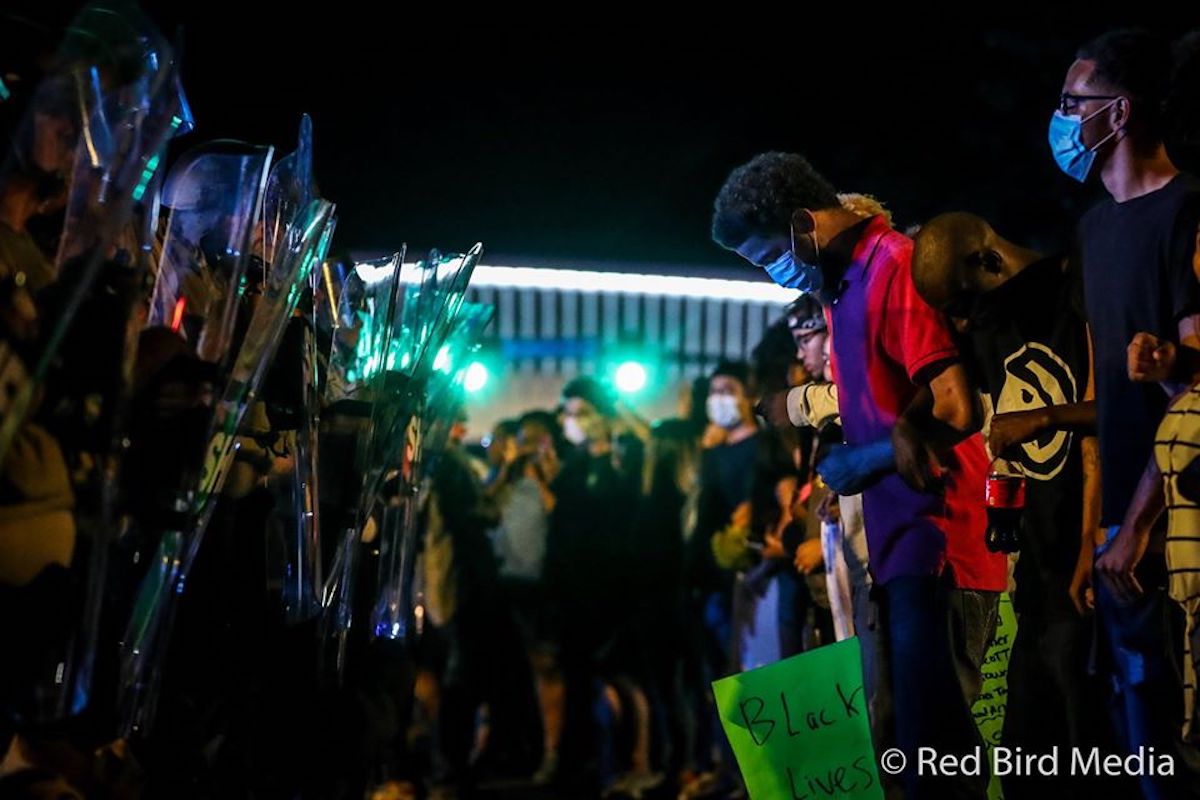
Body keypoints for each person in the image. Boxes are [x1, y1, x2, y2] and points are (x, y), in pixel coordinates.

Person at [712, 152, 1006, 798]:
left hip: (943, 545)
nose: (774, 276)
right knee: (903, 755)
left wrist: (855, 462)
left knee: (940, 760)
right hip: (897, 550)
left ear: (799, 224)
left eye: (768, 258)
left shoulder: (895, 265)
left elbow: (957, 408)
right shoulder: (841, 289)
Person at [912, 211, 1120, 798]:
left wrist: (1048, 417)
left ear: (989, 260)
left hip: (1087, 571)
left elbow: (1116, 414)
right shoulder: (987, 326)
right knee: (1027, 766)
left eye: (962, 302)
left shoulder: (1071, 288)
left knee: (1097, 763)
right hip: (1032, 574)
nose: (960, 321)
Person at [1048, 29, 1200, 798]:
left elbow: (1194, 395)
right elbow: (1113, 396)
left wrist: (1137, 527)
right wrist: (1096, 534)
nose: (1062, 118)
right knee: (1137, 728)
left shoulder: (1188, 212)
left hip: (1175, 525)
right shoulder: (1095, 229)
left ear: (1121, 112)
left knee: (1180, 739)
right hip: (1119, 532)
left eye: (1075, 103)